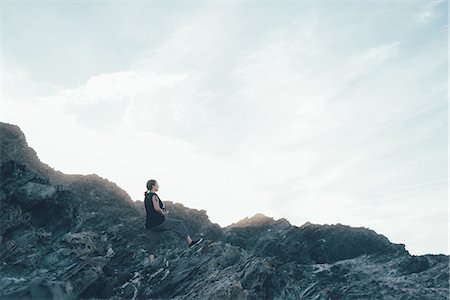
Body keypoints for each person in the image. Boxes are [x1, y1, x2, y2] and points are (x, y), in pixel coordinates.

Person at [144, 179, 203, 252]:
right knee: (178, 223)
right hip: (158, 222)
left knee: (153, 243)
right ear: (153, 186)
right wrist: (164, 213)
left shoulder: (146, 196)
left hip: (150, 224)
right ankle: (190, 242)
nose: (158, 186)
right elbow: (157, 208)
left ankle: (151, 261)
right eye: (157, 184)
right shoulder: (154, 196)